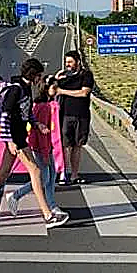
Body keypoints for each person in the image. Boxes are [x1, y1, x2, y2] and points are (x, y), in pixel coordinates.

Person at [0, 58, 69, 229]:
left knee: (2, 175)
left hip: (18, 138)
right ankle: (47, 215)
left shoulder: (25, 89)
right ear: (34, 75)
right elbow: (5, 116)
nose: (40, 79)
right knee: (36, 172)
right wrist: (8, 140)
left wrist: (36, 124)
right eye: (39, 75)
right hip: (16, 139)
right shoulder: (15, 90)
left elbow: (26, 113)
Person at [4, 78, 66, 220]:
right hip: (41, 148)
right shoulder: (44, 107)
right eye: (54, 88)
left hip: (44, 147)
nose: (56, 91)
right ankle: (16, 195)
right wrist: (45, 152)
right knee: (43, 178)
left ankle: (52, 205)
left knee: (51, 177)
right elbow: (39, 133)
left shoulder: (41, 105)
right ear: (46, 89)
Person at [54, 49, 94, 186]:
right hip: (65, 114)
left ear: (78, 62)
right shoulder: (64, 77)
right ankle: (62, 174)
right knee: (64, 145)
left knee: (77, 145)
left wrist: (62, 91)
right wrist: (56, 79)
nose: (68, 65)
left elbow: (84, 93)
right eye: (66, 62)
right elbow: (51, 91)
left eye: (70, 62)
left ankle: (74, 175)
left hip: (81, 115)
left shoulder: (86, 75)